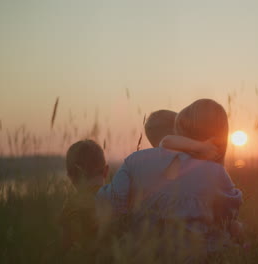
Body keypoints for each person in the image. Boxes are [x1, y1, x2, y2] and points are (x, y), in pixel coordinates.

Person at [96, 99, 243, 261]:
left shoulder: (134, 160)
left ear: (179, 127)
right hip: (196, 257)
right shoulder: (216, 173)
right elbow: (227, 218)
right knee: (236, 229)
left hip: (144, 255)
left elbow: (113, 204)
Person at [59, 139, 109, 253]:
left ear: (70, 176)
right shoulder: (118, 197)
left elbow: (64, 248)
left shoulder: (70, 207)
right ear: (106, 171)